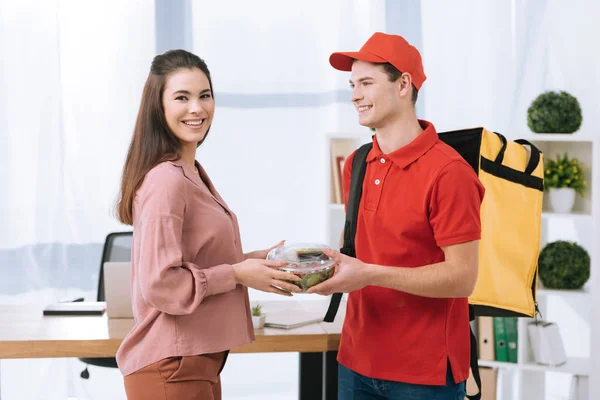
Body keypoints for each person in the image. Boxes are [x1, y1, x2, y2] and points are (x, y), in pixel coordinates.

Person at [114, 49, 302, 400]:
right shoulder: (166, 181)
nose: (197, 108)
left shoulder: (191, 173)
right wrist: (238, 274)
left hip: (194, 363)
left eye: (205, 95)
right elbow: (161, 282)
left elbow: (196, 259)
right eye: (182, 97)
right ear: (160, 106)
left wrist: (256, 261)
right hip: (170, 367)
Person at [307, 32, 485, 399]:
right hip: (356, 361)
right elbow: (365, 251)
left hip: (425, 372)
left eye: (366, 83)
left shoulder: (449, 172)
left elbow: (462, 278)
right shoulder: (356, 164)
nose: (354, 94)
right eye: (352, 84)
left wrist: (368, 274)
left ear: (403, 84)